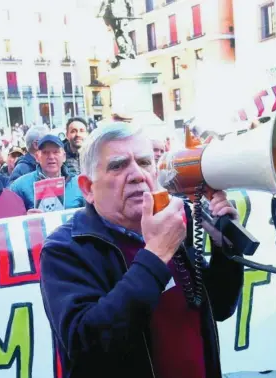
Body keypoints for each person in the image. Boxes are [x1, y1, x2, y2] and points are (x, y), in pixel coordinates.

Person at [40, 122, 244, 378]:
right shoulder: (65, 249)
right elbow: (88, 349)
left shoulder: (170, 224)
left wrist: (224, 249)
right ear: (87, 188)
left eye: (145, 162)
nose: (137, 175)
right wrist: (156, 256)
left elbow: (220, 306)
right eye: (118, 165)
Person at [10, 135, 84, 212]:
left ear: (64, 156)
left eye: (56, 152)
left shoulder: (78, 184)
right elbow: (11, 216)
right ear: (37, 157)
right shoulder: (20, 186)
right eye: (45, 152)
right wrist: (25, 217)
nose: (51, 156)